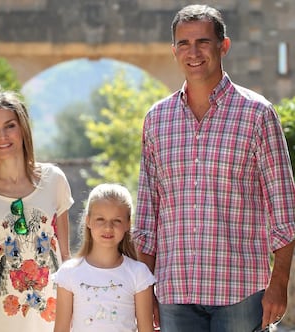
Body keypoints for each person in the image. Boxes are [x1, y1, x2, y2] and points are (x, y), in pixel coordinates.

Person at [133, 4, 295, 332]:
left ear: (224, 46)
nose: (193, 52)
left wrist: (279, 284)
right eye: (183, 43)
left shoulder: (258, 115)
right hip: (175, 291)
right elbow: (148, 215)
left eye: (203, 42)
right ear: (174, 50)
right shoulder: (156, 120)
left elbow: (284, 209)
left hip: (240, 291)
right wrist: (144, 289)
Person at [0, 88, 74, 332]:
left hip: (54, 320)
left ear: (23, 128)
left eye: (10, 126)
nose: (3, 136)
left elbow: (65, 259)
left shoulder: (55, 180)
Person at [53, 183, 156, 332]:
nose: (108, 227)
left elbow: (146, 329)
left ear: (128, 224)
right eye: (100, 219)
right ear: (88, 220)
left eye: (117, 221)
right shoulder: (69, 273)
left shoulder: (139, 274)